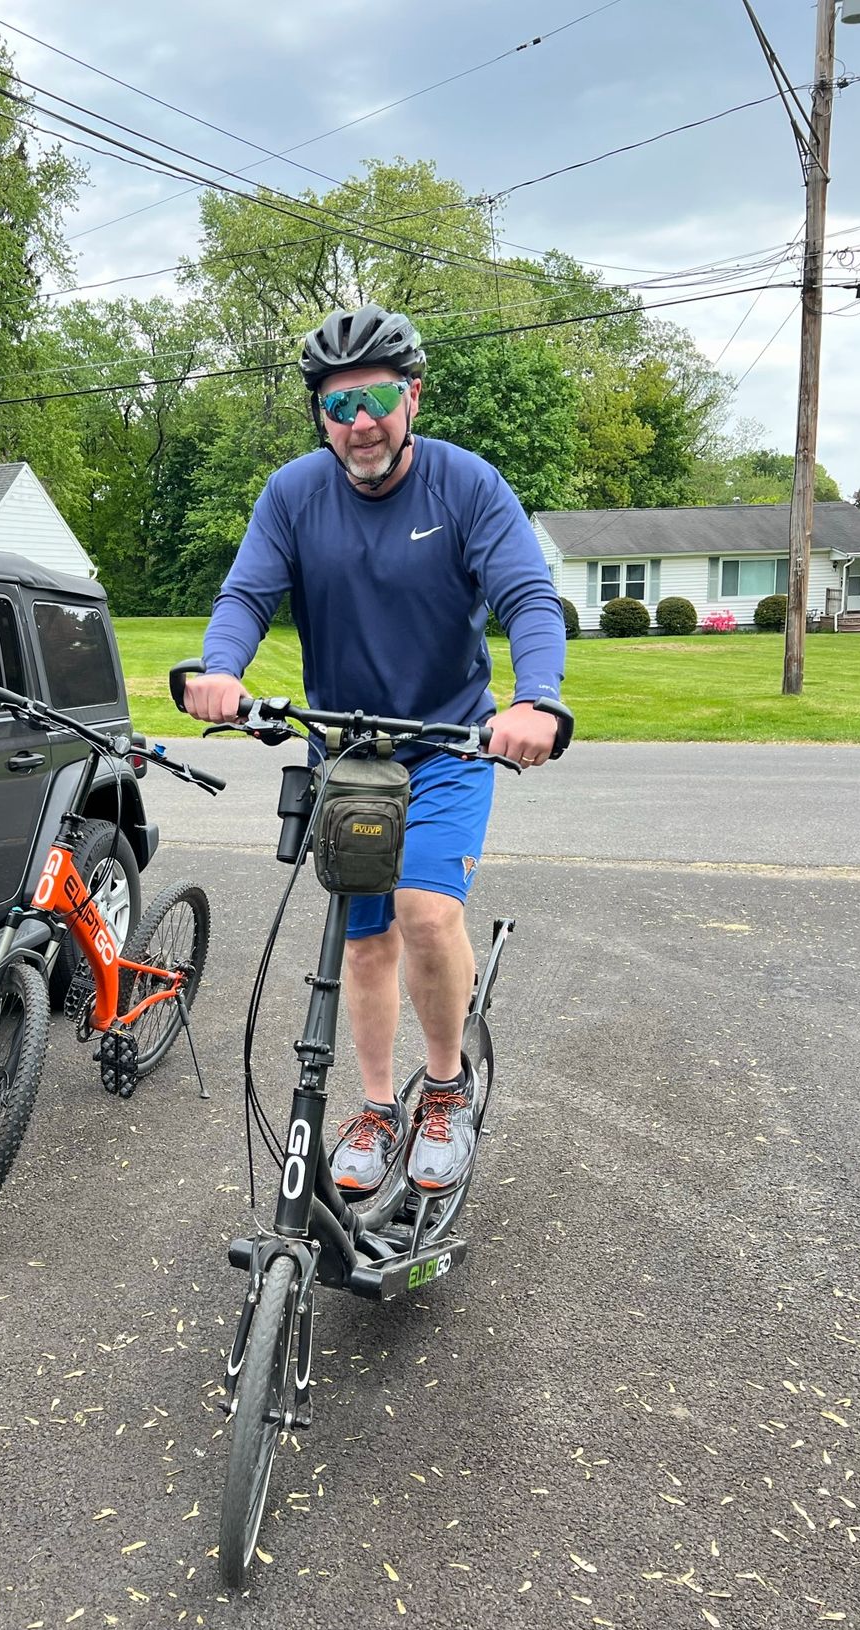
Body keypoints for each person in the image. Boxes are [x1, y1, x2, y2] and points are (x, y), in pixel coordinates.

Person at [183, 303, 566, 1197]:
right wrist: (219, 670)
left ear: (413, 398)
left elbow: (528, 599)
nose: (361, 424)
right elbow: (246, 595)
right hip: (348, 758)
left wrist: (536, 699)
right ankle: (377, 1103)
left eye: (378, 398)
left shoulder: (467, 486)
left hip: (447, 746)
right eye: (338, 406)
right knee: (362, 941)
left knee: (426, 913)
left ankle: (444, 1088)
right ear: (320, 416)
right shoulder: (292, 494)